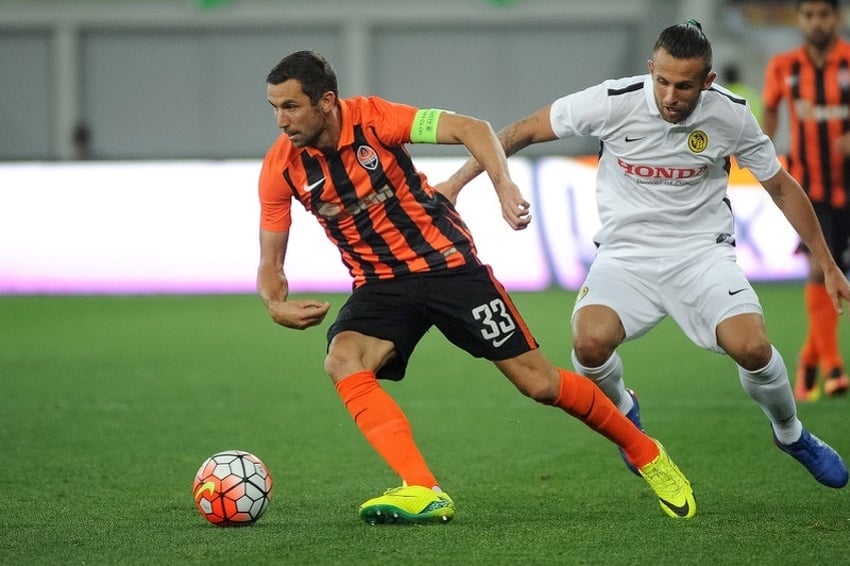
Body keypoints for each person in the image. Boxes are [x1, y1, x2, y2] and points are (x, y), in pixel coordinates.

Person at [256, 50, 697, 525]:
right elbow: (270, 261)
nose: (280, 121)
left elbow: (472, 127)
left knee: (539, 384)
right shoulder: (282, 168)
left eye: (290, 107)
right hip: (380, 284)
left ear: (326, 102)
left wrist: (502, 185)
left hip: (449, 267)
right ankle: (423, 489)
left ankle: (646, 453)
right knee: (342, 360)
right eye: (274, 108)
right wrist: (273, 302)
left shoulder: (377, 120)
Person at [438, 21, 849, 490]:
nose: (671, 96)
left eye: (685, 86)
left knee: (753, 348)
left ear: (707, 82)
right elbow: (518, 131)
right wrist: (458, 184)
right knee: (588, 345)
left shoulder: (730, 115)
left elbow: (779, 185)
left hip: (701, 254)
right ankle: (627, 412)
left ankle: (791, 434)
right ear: (651, 69)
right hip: (625, 255)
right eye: (663, 81)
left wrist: (829, 265)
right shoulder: (612, 101)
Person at [763, 0, 850, 402]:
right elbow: (769, 114)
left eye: (824, 14)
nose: (817, 22)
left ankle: (808, 361)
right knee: (820, 271)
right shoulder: (783, 67)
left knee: (834, 273)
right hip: (811, 187)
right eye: (809, 15)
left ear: (837, 18)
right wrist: (762, 162)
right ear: (800, 20)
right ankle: (833, 365)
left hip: (848, 185)